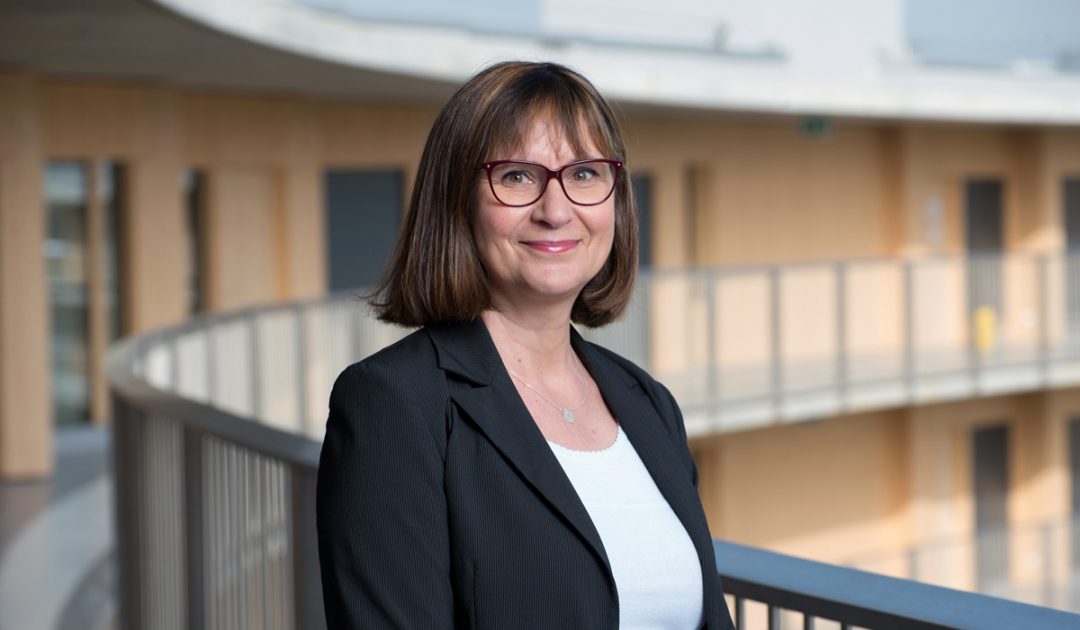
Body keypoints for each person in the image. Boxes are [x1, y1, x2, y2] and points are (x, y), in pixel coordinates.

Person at [316, 60, 735, 630]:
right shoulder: (395, 403)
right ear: (457, 201)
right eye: (516, 176)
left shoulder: (647, 402)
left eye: (583, 173)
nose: (555, 211)